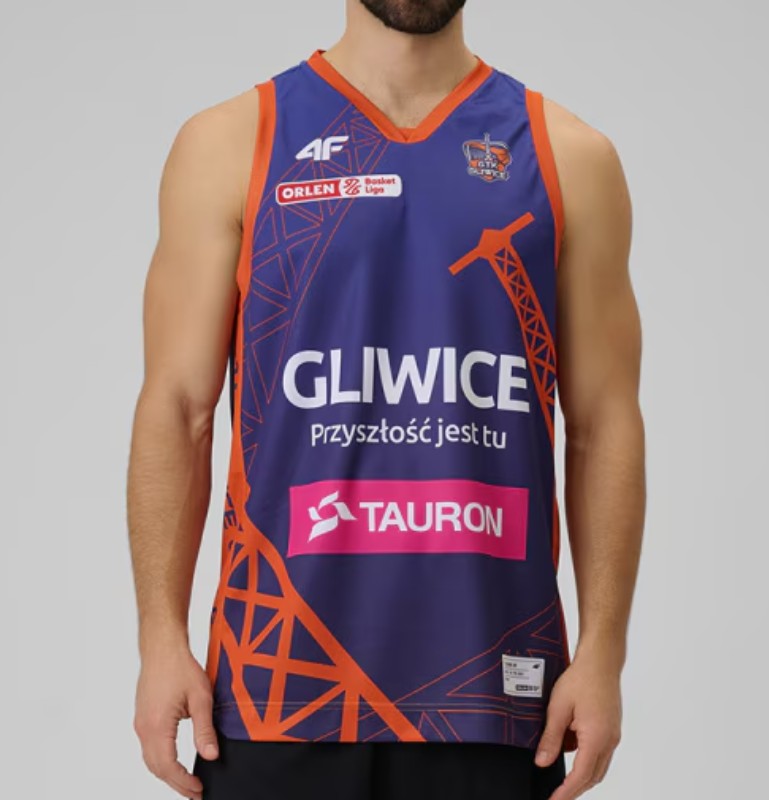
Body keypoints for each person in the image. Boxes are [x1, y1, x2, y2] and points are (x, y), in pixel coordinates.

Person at [126, 1, 646, 799]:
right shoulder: (232, 140)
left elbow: (604, 421)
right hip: (273, 696)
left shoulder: (568, 155)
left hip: (495, 698)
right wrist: (160, 639)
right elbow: (177, 407)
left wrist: (603, 650)